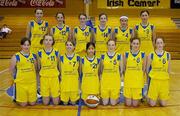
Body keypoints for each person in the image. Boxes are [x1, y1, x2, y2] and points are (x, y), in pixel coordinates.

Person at [9, 37, 37, 107]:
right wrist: (14, 80)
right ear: (21, 46)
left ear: (30, 46)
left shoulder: (33, 56)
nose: (26, 47)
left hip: (32, 82)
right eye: (24, 45)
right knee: (23, 104)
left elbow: (35, 68)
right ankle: (15, 97)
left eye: (28, 45)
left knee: (32, 103)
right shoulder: (16, 56)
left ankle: (27, 96)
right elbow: (11, 70)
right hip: (21, 83)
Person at [147, 37, 171, 107]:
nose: (159, 45)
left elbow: (169, 69)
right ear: (155, 44)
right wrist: (149, 78)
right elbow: (147, 69)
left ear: (164, 44)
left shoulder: (168, 55)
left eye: (161, 43)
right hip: (154, 80)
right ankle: (149, 96)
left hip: (164, 81)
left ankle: (159, 97)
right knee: (152, 104)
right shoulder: (151, 54)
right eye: (158, 43)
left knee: (163, 104)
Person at [37, 34, 60, 105]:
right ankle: (47, 95)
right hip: (44, 78)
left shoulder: (56, 52)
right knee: (45, 103)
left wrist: (60, 76)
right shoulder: (39, 52)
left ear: (52, 42)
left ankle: (56, 95)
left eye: (50, 40)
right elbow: (38, 67)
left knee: (56, 103)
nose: (48, 42)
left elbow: (59, 65)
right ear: (43, 41)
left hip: (54, 77)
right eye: (46, 40)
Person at [123, 37, 146, 107]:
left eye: (137, 44)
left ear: (139, 45)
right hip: (128, 82)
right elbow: (124, 68)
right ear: (131, 44)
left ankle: (142, 96)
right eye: (134, 43)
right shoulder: (126, 54)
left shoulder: (143, 54)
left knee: (135, 104)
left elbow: (144, 69)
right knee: (128, 104)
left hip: (137, 83)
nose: (136, 45)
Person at [100, 39, 123, 105]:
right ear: (107, 46)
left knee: (113, 103)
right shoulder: (103, 56)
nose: (111, 47)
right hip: (105, 82)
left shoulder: (119, 56)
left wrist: (119, 80)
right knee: (105, 103)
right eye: (109, 45)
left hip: (114, 83)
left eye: (113, 45)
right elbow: (101, 69)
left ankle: (117, 98)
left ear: (115, 46)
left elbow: (121, 70)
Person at [59, 40, 81, 105]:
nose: (69, 46)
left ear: (74, 47)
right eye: (67, 45)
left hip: (73, 83)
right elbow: (60, 70)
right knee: (65, 103)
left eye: (70, 45)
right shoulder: (61, 57)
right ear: (65, 46)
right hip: (65, 83)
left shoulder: (77, 57)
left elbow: (79, 71)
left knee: (73, 103)